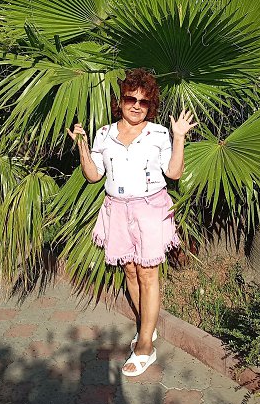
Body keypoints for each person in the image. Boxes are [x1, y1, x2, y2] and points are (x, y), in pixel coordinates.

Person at [67, 68, 197, 377]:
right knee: (129, 270)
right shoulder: (104, 134)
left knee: (148, 274)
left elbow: (174, 173)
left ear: (150, 105)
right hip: (117, 209)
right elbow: (93, 175)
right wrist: (82, 145)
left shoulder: (159, 134)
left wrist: (179, 137)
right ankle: (146, 328)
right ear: (121, 100)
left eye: (144, 101)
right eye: (130, 99)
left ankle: (145, 347)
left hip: (150, 209)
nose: (136, 106)